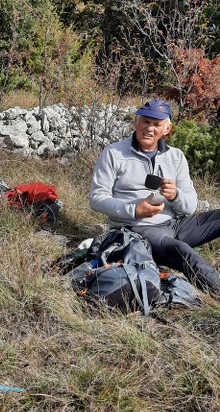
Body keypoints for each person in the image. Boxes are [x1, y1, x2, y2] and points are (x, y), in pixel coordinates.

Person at [89, 98, 220, 292]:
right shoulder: (113, 153)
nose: (150, 128)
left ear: (166, 129)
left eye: (157, 124)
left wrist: (175, 196)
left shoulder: (176, 156)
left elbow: (190, 206)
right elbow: (96, 198)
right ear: (136, 123)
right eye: (146, 121)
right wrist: (134, 210)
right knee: (184, 252)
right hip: (139, 230)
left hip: (176, 224)